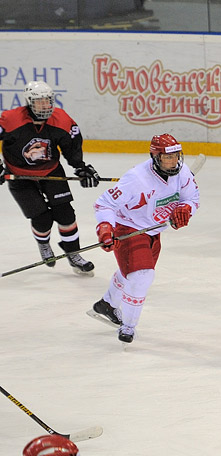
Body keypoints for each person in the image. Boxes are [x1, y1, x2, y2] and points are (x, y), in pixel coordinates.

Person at [88, 134, 199, 344]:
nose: (174, 162)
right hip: (128, 228)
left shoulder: (182, 172)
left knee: (130, 271)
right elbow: (104, 204)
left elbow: (192, 198)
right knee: (142, 276)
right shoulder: (136, 179)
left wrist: (186, 209)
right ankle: (128, 328)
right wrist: (105, 227)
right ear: (155, 157)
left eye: (176, 156)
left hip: (152, 231)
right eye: (168, 158)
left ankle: (107, 305)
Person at [0, 81, 99, 275]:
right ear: (30, 103)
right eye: (39, 102)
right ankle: (44, 244)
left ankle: (73, 253)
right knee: (43, 219)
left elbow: (72, 146)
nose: (45, 105)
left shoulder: (61, 119)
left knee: (66, 214)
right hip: (20, 176)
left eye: (48, 101)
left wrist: (80, 167)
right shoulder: (11, 120)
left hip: (51, 173)